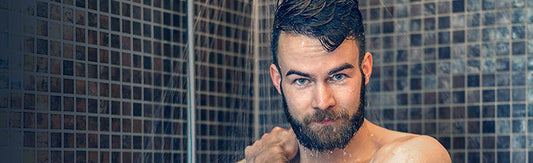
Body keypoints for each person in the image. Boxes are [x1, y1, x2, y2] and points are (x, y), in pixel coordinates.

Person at [243, 0, 451, 162]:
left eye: (338, 77)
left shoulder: (413, 155)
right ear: (277, 80)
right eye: (301, 81)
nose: (323, 102)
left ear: (366, 69)